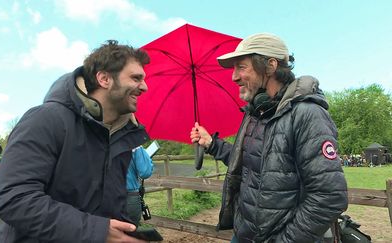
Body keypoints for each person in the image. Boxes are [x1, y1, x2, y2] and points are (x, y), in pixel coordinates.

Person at [190, 33, 348, 242]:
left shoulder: (307, 115)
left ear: (270, 66)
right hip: (244, 234)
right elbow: (251, 164)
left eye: (241, 67)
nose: (234, 76)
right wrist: (211, 144)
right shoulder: (255, 113)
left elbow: (329, 196)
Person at [0, 40, 150, 243]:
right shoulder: (45, 119)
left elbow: (112, 206)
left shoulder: (122, 136)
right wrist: (98, 231)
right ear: (104, 79)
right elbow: (14, 199)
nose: (144, 87)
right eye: (136, 78)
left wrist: (124, 233)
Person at [126, 146, 154, 226]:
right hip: (129, 197)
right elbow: (145, 172)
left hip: (104, 197)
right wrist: (147, 159)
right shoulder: (133, 142)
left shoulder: (98, 140)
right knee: (130, 232)